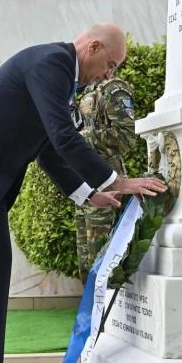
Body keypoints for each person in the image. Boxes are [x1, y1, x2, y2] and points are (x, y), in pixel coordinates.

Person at [0, 23, 167, 363]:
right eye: (111, 65)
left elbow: (48, 147)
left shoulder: (64, 77)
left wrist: (88, 194)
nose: (109, 75)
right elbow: (64, 138)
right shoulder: (52, 63)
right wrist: (116, 181)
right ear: (93, 47)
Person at [72, 76, 138, 280]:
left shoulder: (115, 89)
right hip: (85, 182)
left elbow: (127, 137)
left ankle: (105, 310)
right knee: (87, 258)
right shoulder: (86, 90)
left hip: (107, 183)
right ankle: (91, 310)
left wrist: (80, 139)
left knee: (103, 255)